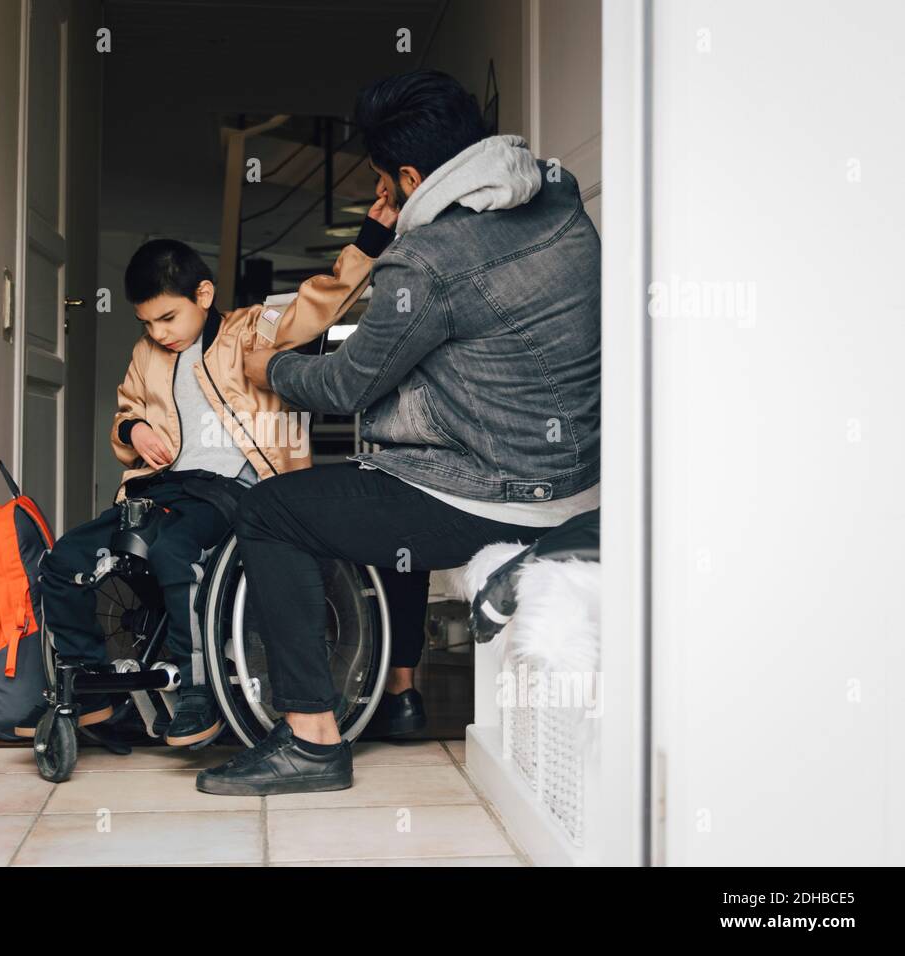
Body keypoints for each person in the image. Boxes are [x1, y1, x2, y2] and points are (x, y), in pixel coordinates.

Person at [196, 69, 601, 795]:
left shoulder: (428, 260)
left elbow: (345, 387)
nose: (383, 195)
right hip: (579, 478)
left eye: (388, 182)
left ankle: (311, 740)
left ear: (412, 175)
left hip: (498, 492)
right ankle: (401, 693)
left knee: (271, 512)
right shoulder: (561, 198)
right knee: (381, 480)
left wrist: (273, 366)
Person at [38, 201, 395, 746]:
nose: (159, 333)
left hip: (232, 493)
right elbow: (127, 408)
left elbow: (316, 305)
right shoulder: (146, 354)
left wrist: (370, 238)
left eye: (168, 318)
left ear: (203, 296)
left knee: (172, 553)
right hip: (161, 491)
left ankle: (196, 689)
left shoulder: (248, 332)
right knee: (64, 559)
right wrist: (133, 432)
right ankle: (95, 685)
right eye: (147, 323)